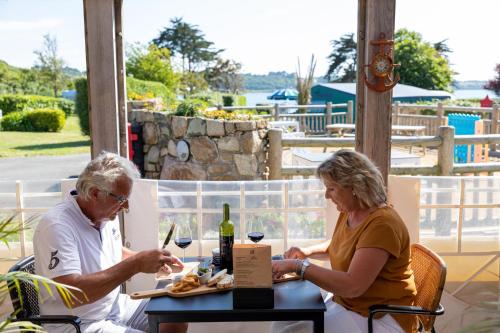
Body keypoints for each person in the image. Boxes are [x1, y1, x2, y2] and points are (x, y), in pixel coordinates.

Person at [34, 152, 188, 333]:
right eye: (121, 199)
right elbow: (73, 294)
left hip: (115, 306)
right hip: (79, 323)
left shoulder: (105, 214)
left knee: (174, 317)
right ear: (95, 193)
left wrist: (152, 260)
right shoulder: (57, 226)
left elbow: (112, 251)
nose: (126, 207)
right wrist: (136, 264)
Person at [272, 149, 417, 333]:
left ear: (355, 187)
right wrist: (307, 252)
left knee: (290, 331)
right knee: (282, 320)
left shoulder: (382, 225)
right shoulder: (351, 211)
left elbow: (352, 286)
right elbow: (338, 245)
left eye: (331, 188)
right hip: (350, 305)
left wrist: (298, 266)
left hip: (379, 317)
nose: (326, 195)